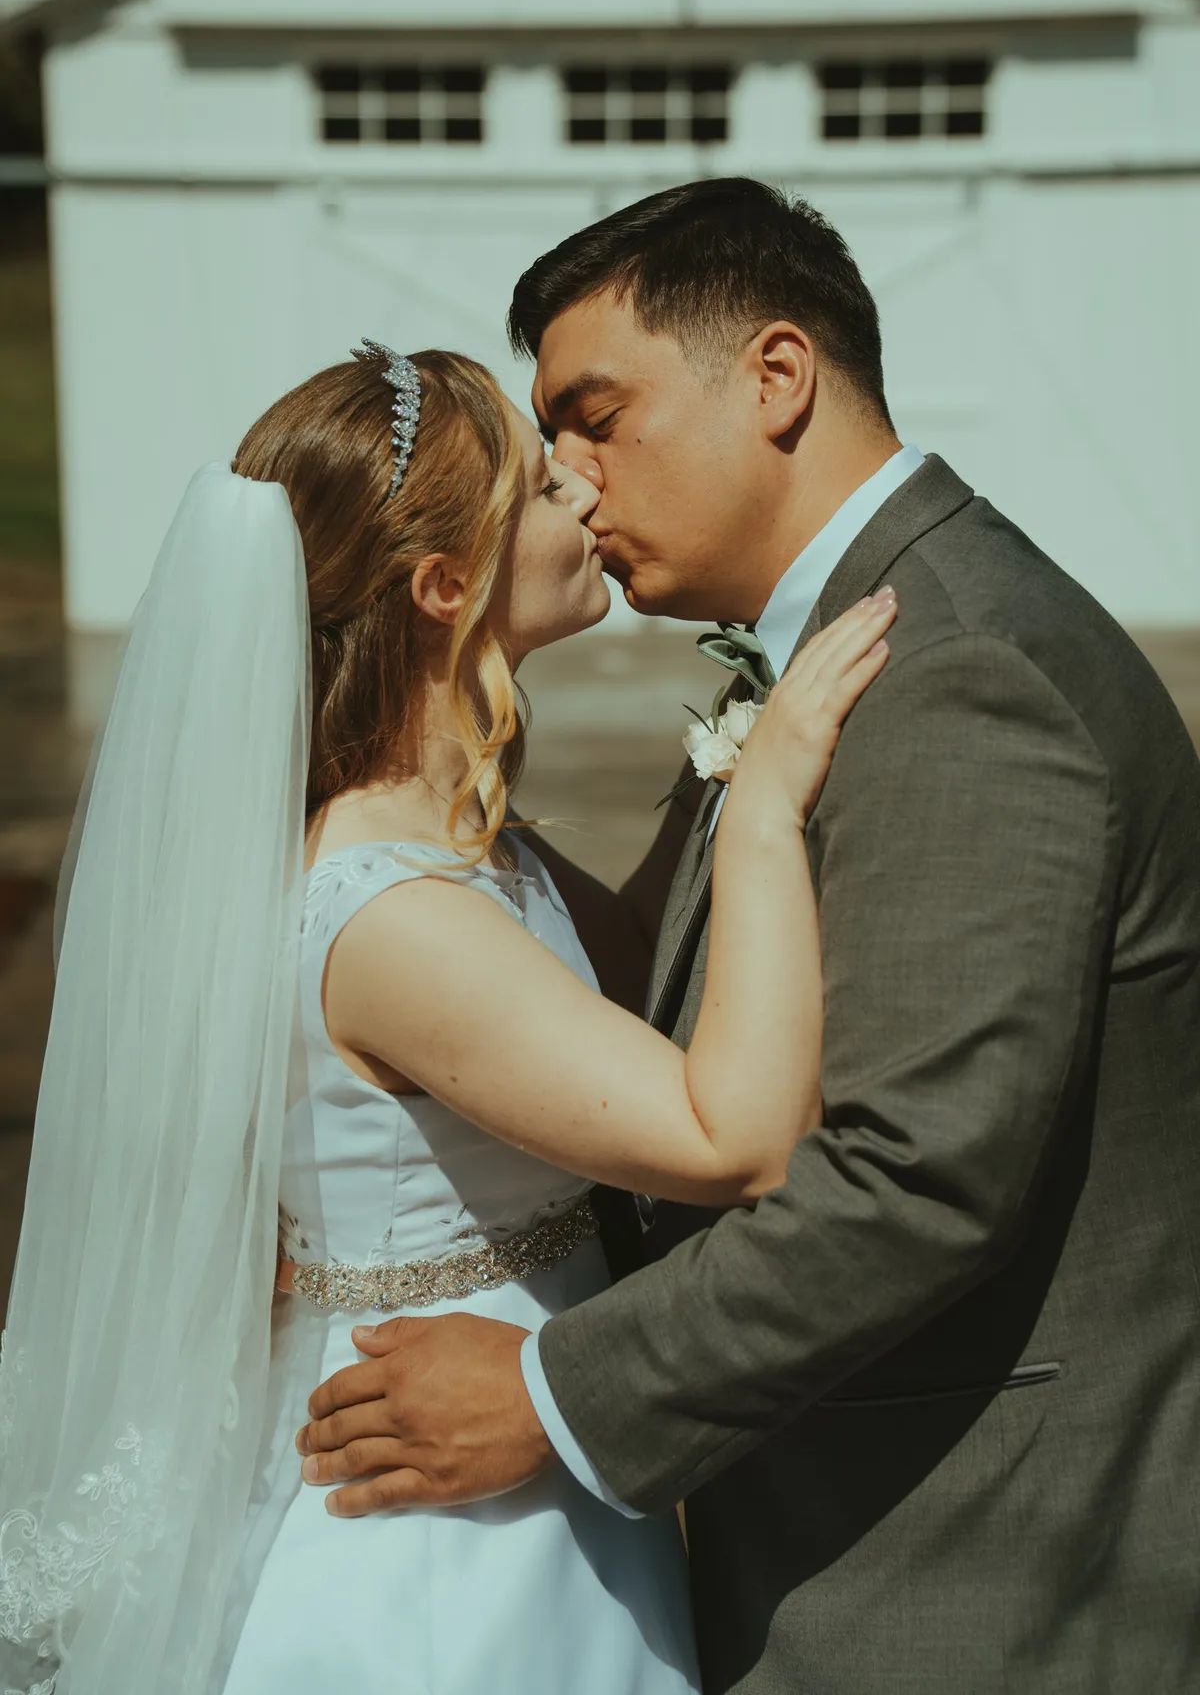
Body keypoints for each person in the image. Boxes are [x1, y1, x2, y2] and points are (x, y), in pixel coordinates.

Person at [296, 180, 1200, 1694]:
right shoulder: (832, 650)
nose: (572, 481)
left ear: (776, 378)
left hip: (977, 1558)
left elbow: (917, 1176)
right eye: (545, 450)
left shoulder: (954, 674)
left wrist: (552, 1394)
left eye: (596, 416)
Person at [0, 337, 895, 1695]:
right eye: (542, 488)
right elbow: (735, 1135)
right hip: (441, 1551)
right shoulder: (389, 916)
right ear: (441, 585)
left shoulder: (463, 846)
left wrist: (726, 760)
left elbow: (655, 974)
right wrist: (764, 806)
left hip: (527, 1480)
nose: (587, 497)